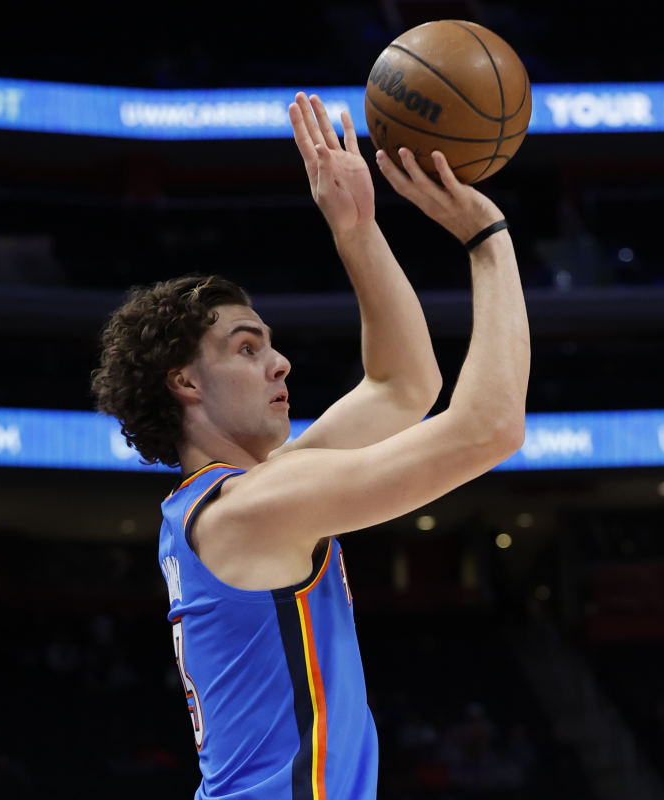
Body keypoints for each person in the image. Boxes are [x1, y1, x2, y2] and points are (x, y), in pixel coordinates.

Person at [90, 92, 529, 799]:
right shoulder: (254, 508)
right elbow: (491, 427)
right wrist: (489, 241)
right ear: (185, 382)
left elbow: (404, 387)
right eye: (246, 348)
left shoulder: (232, 502)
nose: (280, 363)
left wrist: (357, 230)